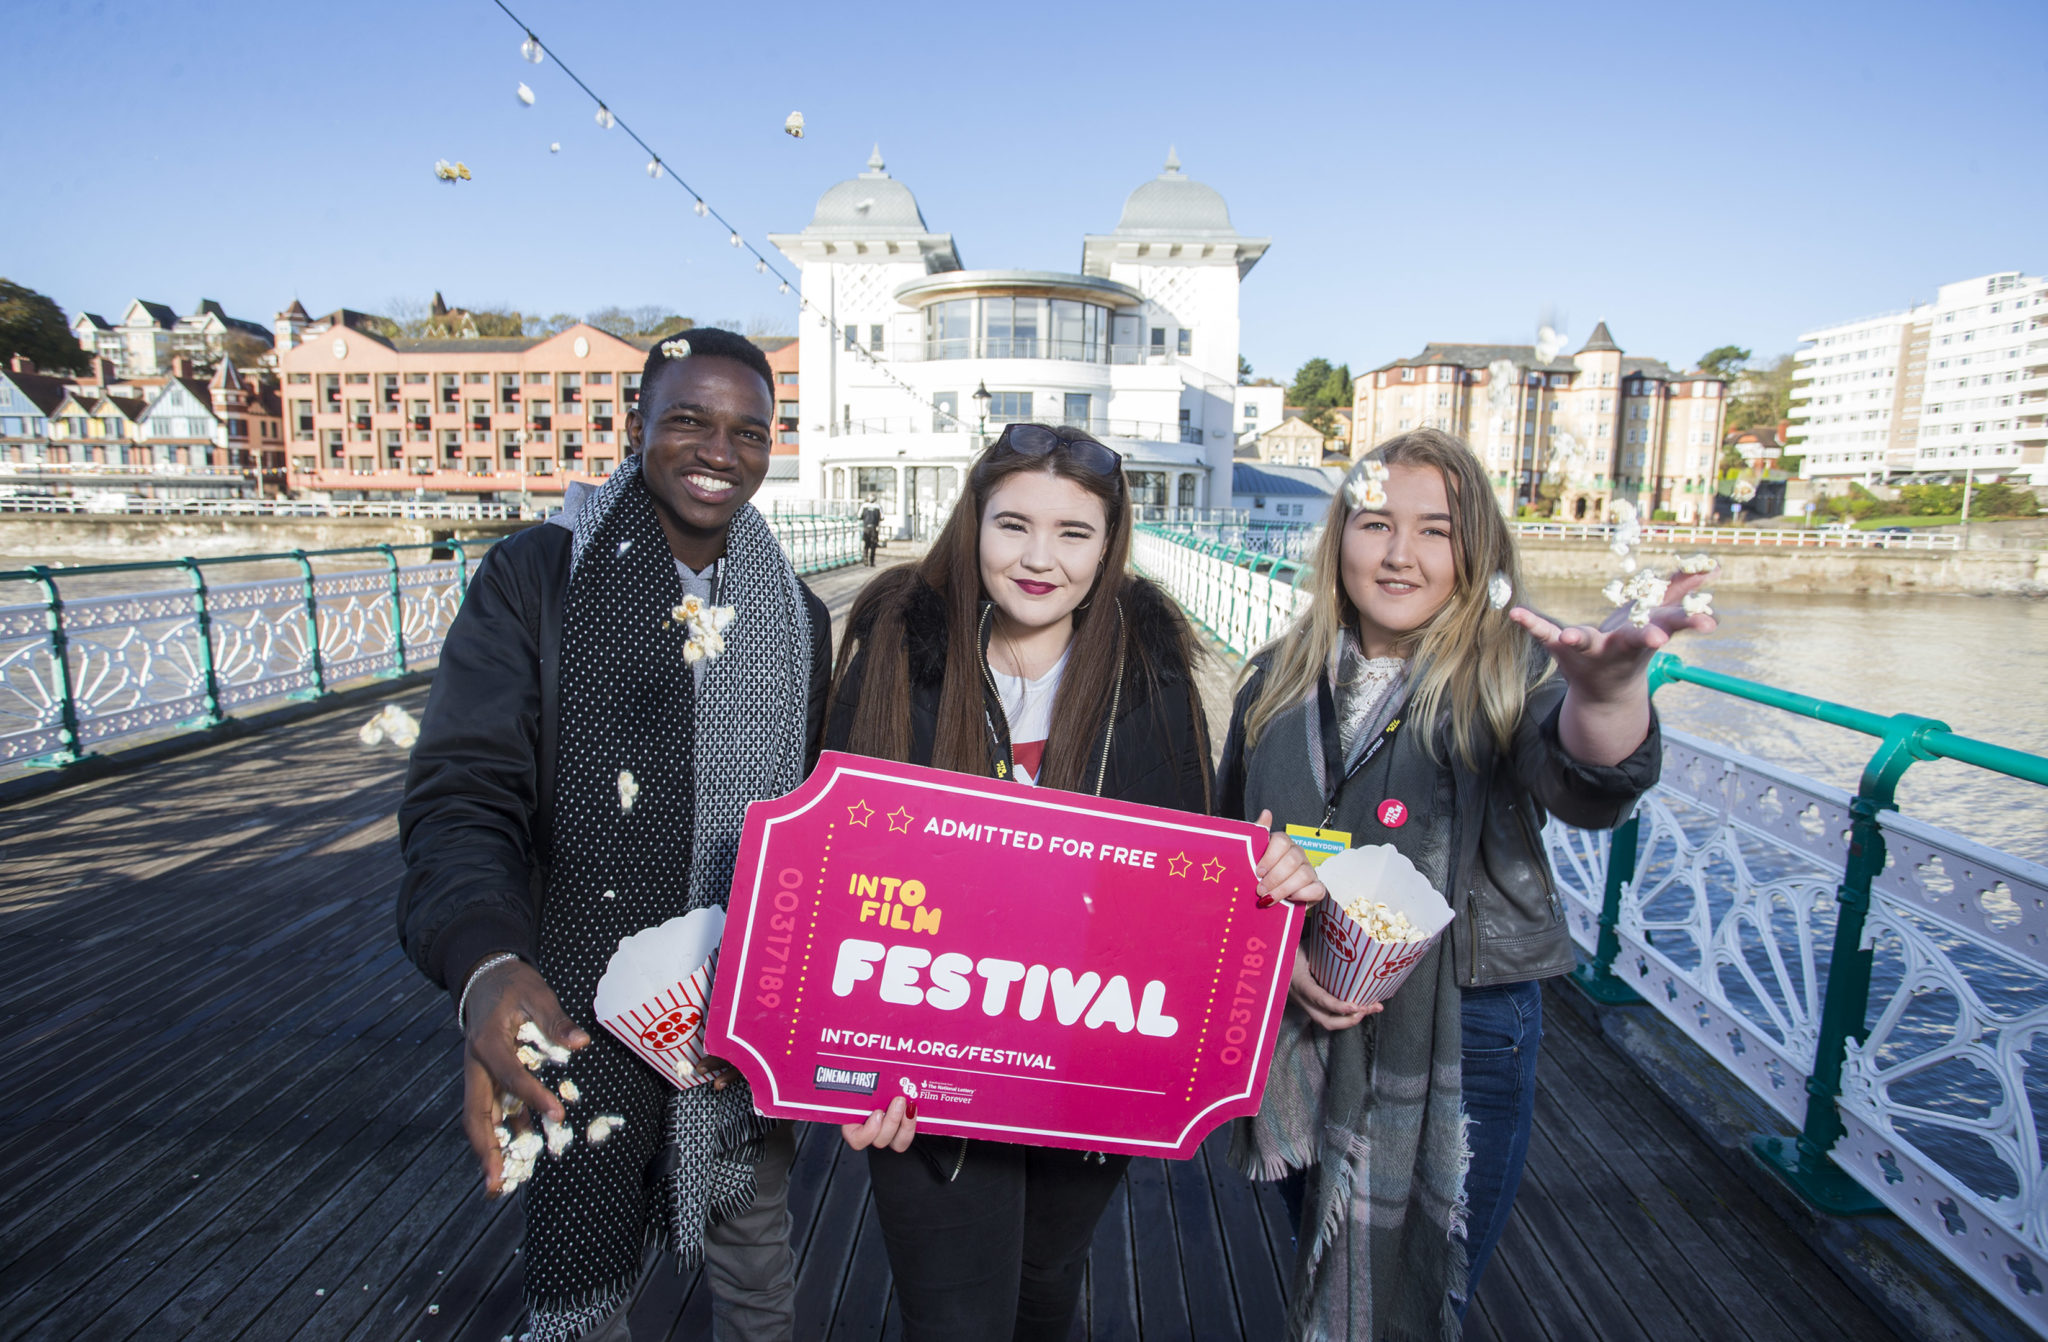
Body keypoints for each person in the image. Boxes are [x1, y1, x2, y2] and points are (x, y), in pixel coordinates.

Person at [822, 422, 1324, 1342]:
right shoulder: (901, 642)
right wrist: (847, 1068)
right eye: (1013, 525)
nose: (1039, 558)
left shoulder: (1150, 667)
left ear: (1111, 543)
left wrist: (1261, 880)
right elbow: (837, 869)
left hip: (1080, 1060)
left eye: (1074, 533)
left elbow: (1186, 867)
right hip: (921, 1060)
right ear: (972, 524)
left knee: (1046, 1288)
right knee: (953, 1314)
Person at [1220, 428, 1713, 1339]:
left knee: (1412, 1296)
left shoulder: (1510, 673)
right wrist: (1281, 967)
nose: (1400, 554)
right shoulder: (1271, 681)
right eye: (1375, 523)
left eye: (1436, 531)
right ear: (1339, 540)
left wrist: (1604, 698)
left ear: (1476, 549)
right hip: (1291, 1019)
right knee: (1314, 1251)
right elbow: (1224, 853)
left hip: (1462, 1027)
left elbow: (1584, 784)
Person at [396, 328, 832, 1342]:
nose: (717, 450)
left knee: (758, 1265)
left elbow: (814, 837)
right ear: (635, 426)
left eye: (748, 430)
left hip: (733, 1023)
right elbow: (465, 790)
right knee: (584, 1280)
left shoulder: (800, 618)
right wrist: (485, 962)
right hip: (575, 1006)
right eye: (686, 419)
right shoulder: (538, 577)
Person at [859, 494, 883, 566]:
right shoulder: (878, 506)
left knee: (866, 544)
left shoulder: (864, 506)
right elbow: (882, 517)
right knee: (873, 544)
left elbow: (859, 516)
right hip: (874, 528)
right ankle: (872, 561)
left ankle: (865, 559)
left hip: (866, 527)